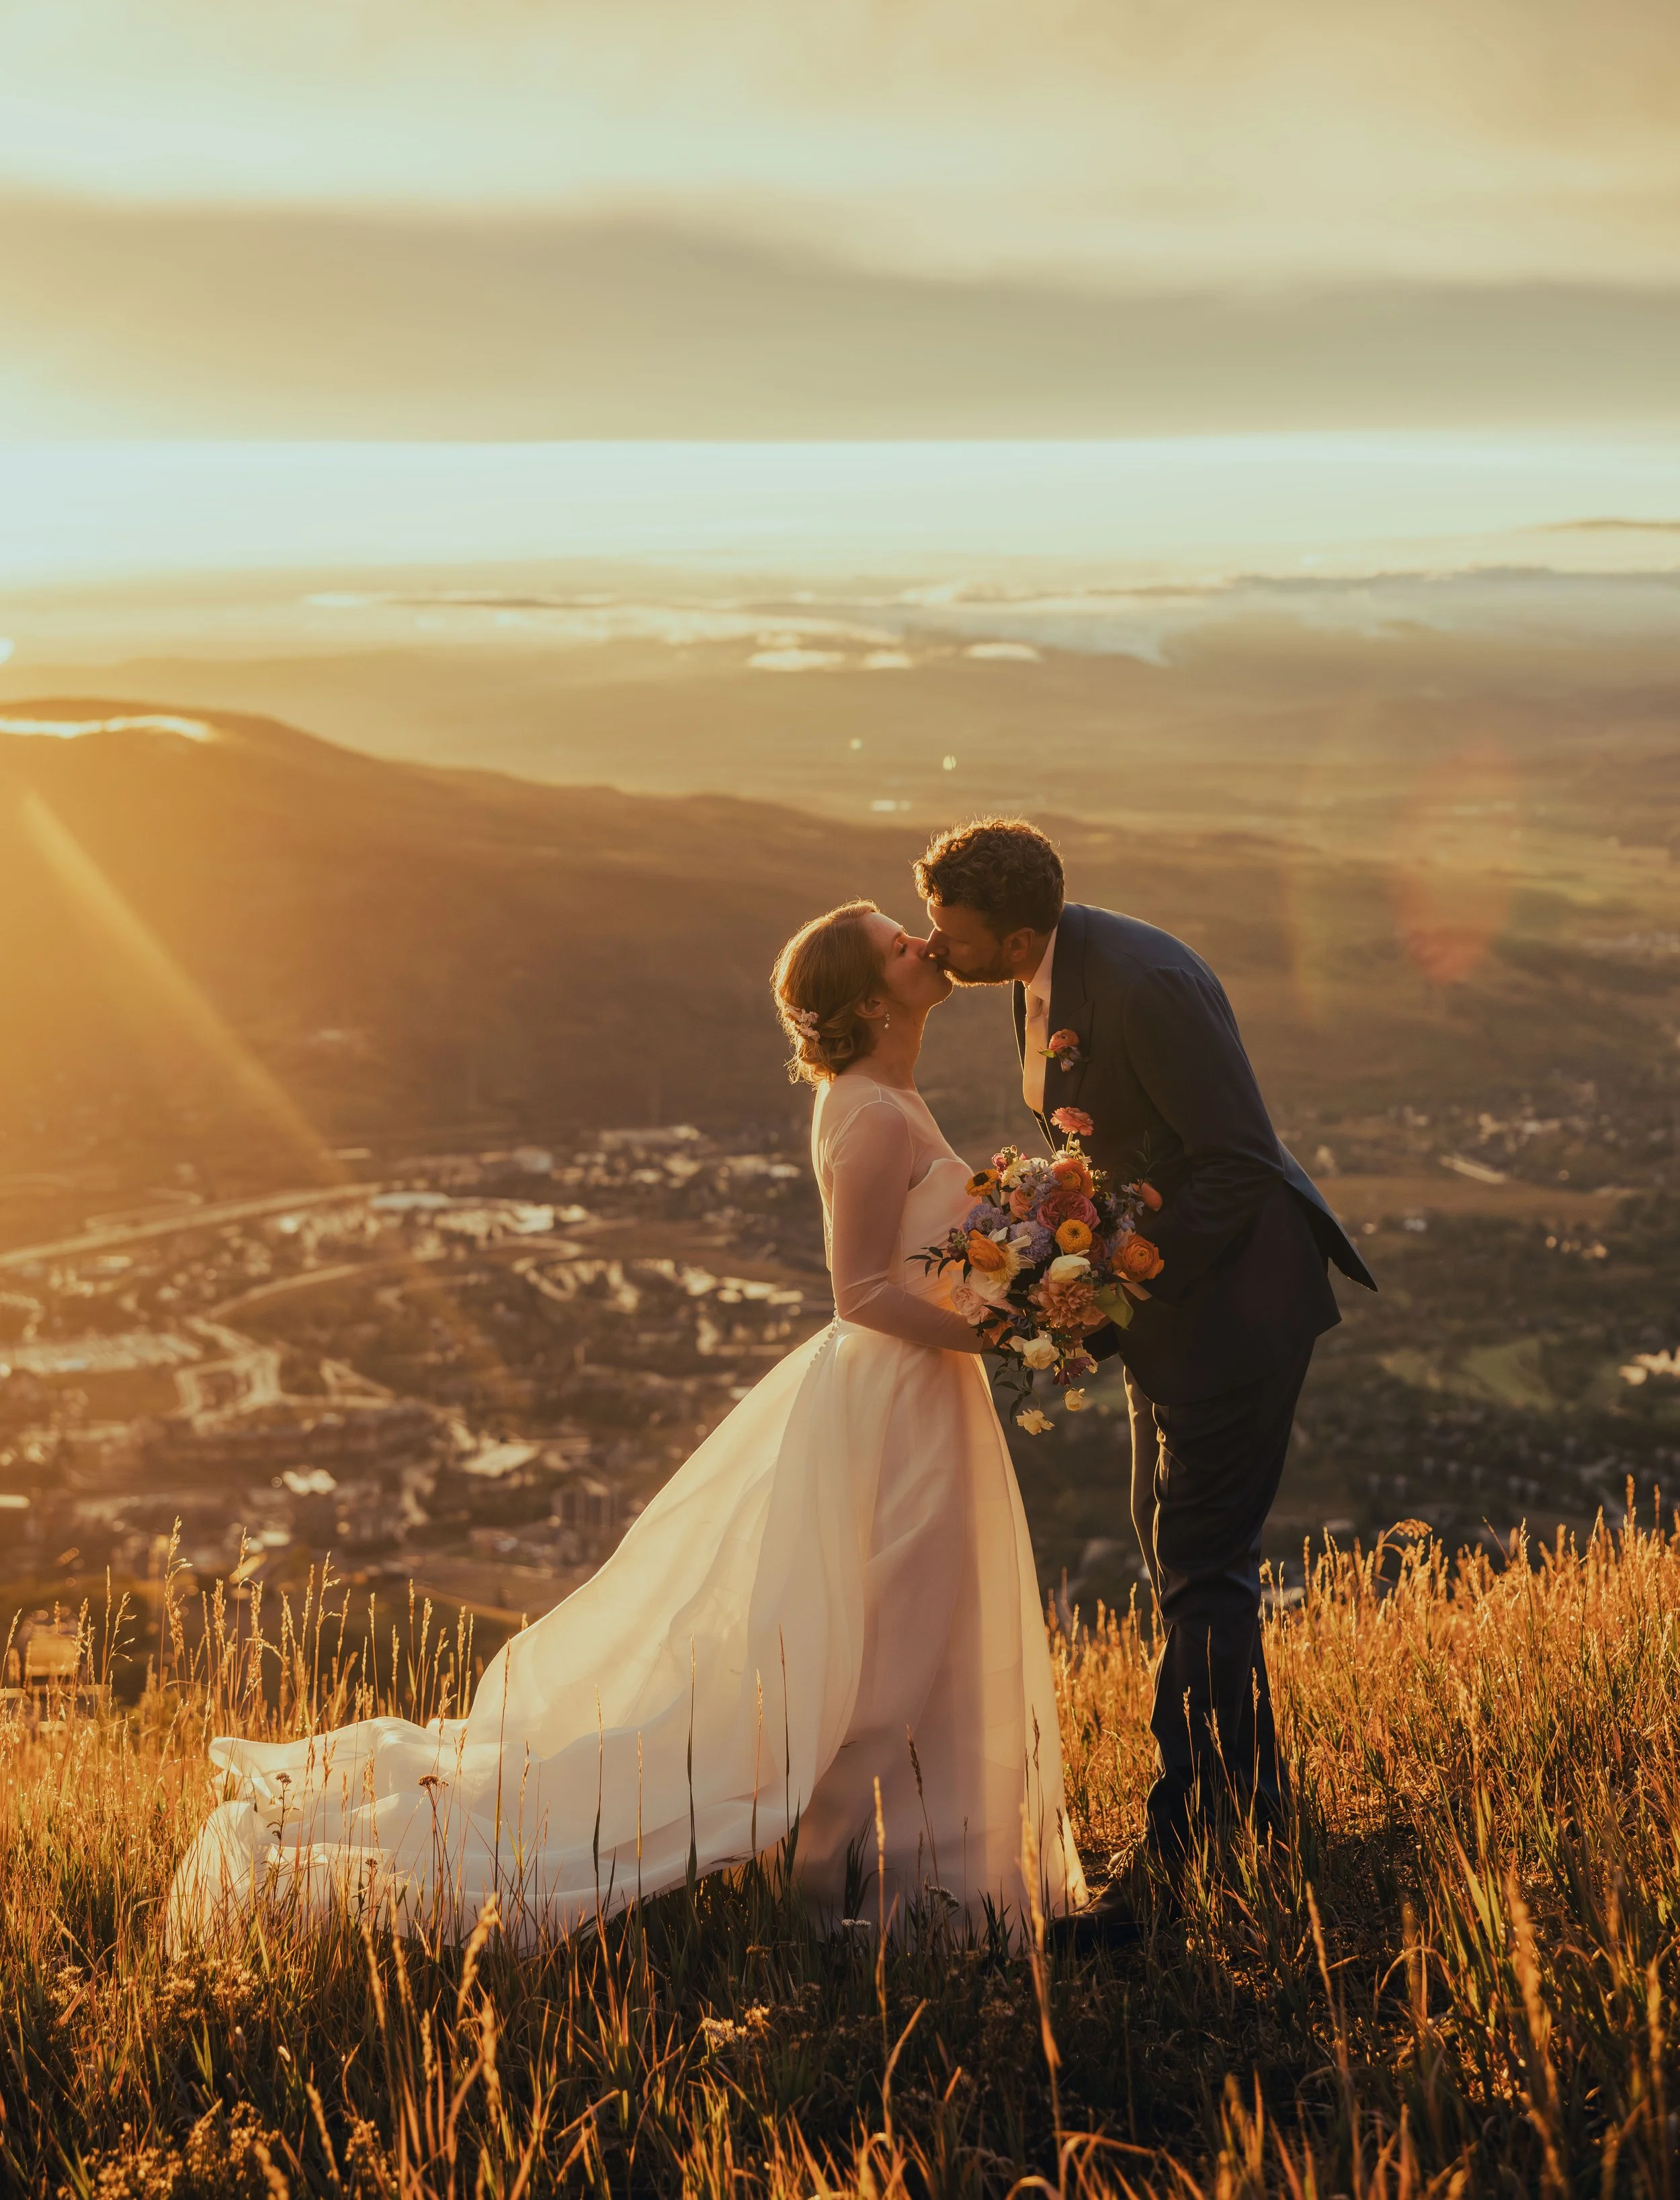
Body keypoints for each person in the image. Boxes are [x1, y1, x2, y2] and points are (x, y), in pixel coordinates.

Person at [169, 899, 1085, 1947]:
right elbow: (859, 1291)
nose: (924, 943)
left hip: (917, 1389)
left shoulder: (888, 1094)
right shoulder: (873, 1113)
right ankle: (909, 1895)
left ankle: (940, 1878)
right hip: (901, 1396)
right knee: (900, 1639)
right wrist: (1004, 1339)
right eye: (897, 942)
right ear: (872, 998)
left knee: (919, 1633)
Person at [917, 817, 1376, 1900]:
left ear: (1018, 931)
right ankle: (1247, 1802)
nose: (937, 950)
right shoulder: (1043, 978)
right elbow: (1111, 1143)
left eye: (954, 935)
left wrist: (1103, 1268)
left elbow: (1236, 1164)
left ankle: (1193, 1841)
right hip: (1167, 1310)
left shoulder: (1143, 983)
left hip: (1234, 1308)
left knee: (1202, 1565)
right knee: (1171, 1546)